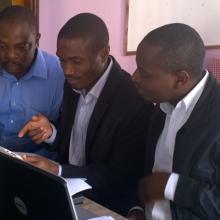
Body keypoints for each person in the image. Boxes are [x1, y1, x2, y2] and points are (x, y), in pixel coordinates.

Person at [18, 13, 154, 215]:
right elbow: (75, 139)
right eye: (61, 60)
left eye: (75, 61)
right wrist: (51, 132)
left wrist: (59, 170)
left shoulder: (134, 100)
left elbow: (121, 176)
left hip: (106, 203)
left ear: (104, 53)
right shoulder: (75, 80)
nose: (66, 70)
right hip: (67, 192)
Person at [129, 23, 220, 220]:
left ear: (180, 79)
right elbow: (149, 177)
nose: (134, 77)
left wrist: (172, 186)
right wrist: (137, 209)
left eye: (144, 73)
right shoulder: (161, 104)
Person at [0, 6, 64, 158]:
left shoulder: (59, 74)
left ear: (36, 40)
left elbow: (75, 133)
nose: (10, 55)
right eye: (2, 46)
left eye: (21, 47)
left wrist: (50, 131)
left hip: (37, 164)